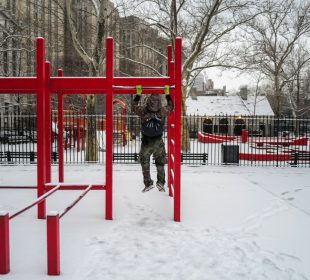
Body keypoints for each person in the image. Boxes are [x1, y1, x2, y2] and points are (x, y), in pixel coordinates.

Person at [133, 85, 174, 192]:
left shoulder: (143, 111)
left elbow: (134, 106)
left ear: (148, 102)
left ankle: (148, 183)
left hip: (146, 141)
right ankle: (160, 182)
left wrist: (138, 94)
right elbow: (171, 106)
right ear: (159, 102)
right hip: (158, 141)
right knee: (160, 162)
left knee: (144, 162)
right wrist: (168, 94)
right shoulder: (163, 111)